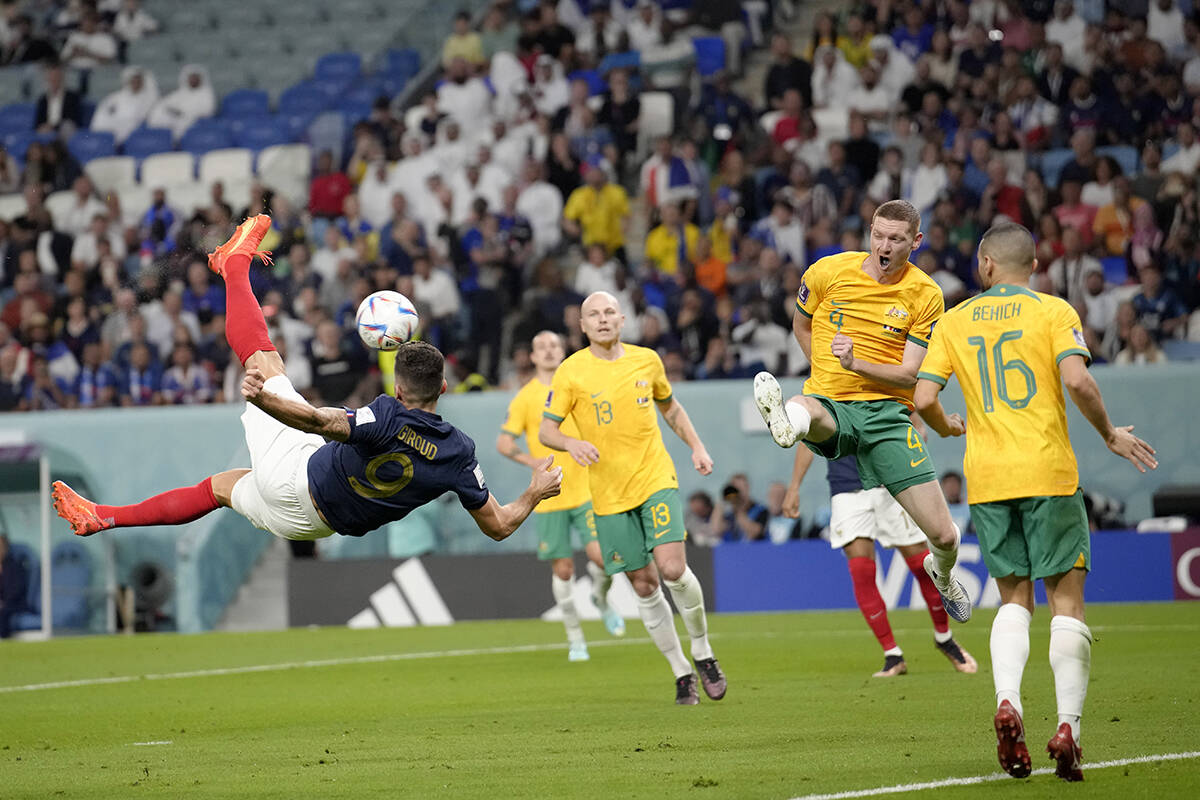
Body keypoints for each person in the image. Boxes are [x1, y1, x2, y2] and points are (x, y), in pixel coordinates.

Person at [52, 215, 563, 552]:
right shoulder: (460, 453)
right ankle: (104, 516)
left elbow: (321, 420)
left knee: (263, 359)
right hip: (312, 525)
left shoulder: (385, 415)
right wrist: (535, 491)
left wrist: (266, 400)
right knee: (221, 488)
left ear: (401, 389)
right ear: (445, 387)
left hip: (299, 479)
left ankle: (232, 265)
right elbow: (498, 525)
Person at [913, 221, 1158, 782]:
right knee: (1066, 606)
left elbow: (924, 396)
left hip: (989, 481)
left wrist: (948, 429)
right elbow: (1078, 382)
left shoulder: (954, 321)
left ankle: (1009, 704)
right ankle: (1068, 727)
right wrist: (1108, 434)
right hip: (1048, 473)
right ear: (1036, 267)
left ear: (985, 265)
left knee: (1013, 603)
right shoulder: (1053, 312)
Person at [751, 199, 972, 624]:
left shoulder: (926, 294)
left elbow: (911, 375)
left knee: (944, 535)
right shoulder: (826, 272)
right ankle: (785, 423)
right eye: (878, 235)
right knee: (806, 407)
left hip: (888, 415)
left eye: (895, 239)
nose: (883, 246)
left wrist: (856, 364)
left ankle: (943, 577)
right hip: (833, 402)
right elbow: (801, 323)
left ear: (916, 241)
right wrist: (828, 370)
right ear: (868, 231)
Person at [539, 291, 725, 705]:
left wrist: (697, 446)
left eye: (609, 312)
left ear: (623, 320)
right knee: (643, 585)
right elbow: (546, 431)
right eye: (593, 315)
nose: (602, 319)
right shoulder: (570, 372)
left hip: (654, 477)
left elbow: (671, 408)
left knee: (673, 568)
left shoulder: (647, 360)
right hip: (607, 495)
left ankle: (703, 651)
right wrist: (571, 444)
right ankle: (681, 671)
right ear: (582, 327)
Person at [784, 450, 976, 677]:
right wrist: (794, 487)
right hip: (846, 489)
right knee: (861, 571)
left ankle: (944, 638)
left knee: (922, 564)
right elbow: (809, 436)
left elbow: (914, 421)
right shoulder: (823, 411)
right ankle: (892, 654)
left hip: (888, 480)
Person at [497, 330, 626, 662]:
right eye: (542, 347)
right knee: (564, 570)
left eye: (554, 345)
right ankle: (576, 638)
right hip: (549, 495)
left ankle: (601, 599)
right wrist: (531, 460)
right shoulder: (525, 398)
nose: (550, 351)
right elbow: (504, 443)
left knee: (605, 560)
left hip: (586, 489)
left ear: (564, 350)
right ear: (533, 357)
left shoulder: (579, 384)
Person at [0, 533, 30, 638]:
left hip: (14, 604)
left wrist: (3, 602)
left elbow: (17, 589)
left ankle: (4, 640)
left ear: (6, 549)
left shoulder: (15, 567)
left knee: (3, 613)